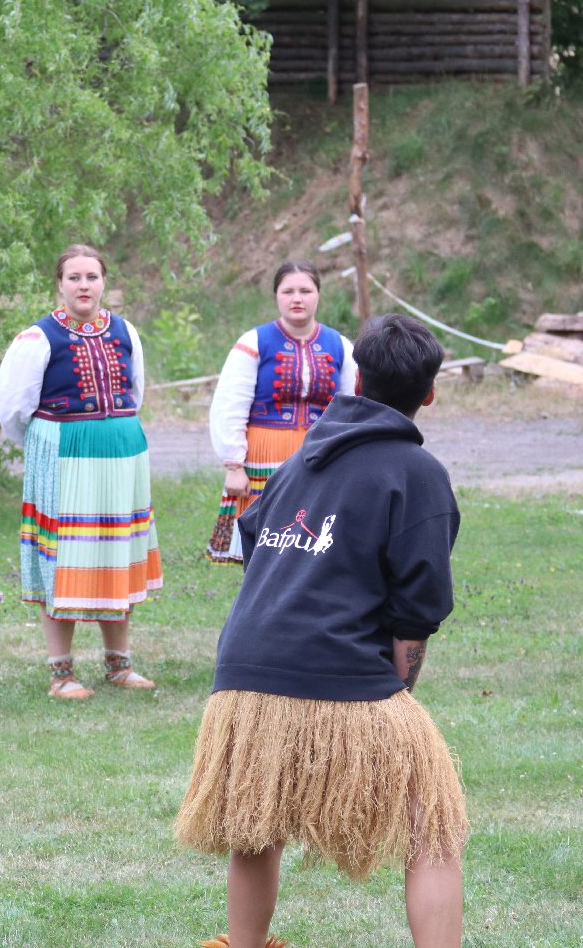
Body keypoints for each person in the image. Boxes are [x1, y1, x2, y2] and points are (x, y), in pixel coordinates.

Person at [175, 314, 467, 948]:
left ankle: (243, 944)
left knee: (258, 821)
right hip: (342, 676)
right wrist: (392, 697)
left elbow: (256, 552)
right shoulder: (418, 475)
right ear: (431, 392)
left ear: (355, 376)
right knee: (435, 823)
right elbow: (416, 614)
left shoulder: (296, 461)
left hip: (241, 683)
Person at [0, 244, 162, 700]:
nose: (84, 285)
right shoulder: (38, 338)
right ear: (60, 283)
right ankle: (61, 673)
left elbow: (137, 391)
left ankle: (119, 664)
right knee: (64, 558)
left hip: (122, 452)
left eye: (91, 277)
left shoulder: (125, 331)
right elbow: (14, 410)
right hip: (66, 453)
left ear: (104, 281)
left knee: (116, 553)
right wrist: (48, 446)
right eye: (74, 278)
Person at [206, 260, 356, 563]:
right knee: (265, 545)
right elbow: (230, 404)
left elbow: (353, 405)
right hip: (265, 454)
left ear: (318, 295)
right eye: (288, 291)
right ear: (277, 296)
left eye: (305, 290)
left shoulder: (339, 345)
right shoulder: (254, 343)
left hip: (322, 456)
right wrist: (234, 465)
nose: (297, 298)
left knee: (315, 544)